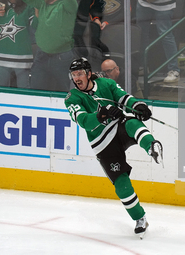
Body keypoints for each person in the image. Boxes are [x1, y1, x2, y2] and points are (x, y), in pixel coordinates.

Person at [64, 57, 163, 237]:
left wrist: (138, 105)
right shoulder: (72, 98)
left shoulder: (106, 84)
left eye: (79, 73)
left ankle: (152, 146)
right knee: (121, 185)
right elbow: (83, 121)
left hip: (118, 126)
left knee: (132, 122)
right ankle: (140, 218)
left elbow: (124, 98)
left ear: (88, 73)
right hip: (101, 142)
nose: (76, 78)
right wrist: (100, 116)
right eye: (73, 74)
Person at [21, 0, 78, 92]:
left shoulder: (67, 4)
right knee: (36, 93)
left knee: (67, 94)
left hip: (62, 58)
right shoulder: (41, 3)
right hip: (41, 56)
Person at [0, 0, 37, 88]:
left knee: (24, 91)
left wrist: (38, 8)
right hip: (0, 55)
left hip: (22, 56)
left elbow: (36, 25)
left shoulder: (29, 4)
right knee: (2, 91)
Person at [136, 0, 180, 83]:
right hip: (143, 3)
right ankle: (142, 66)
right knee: (140, 34)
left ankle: (174, 70)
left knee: (166, 36)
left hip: (164, 5)